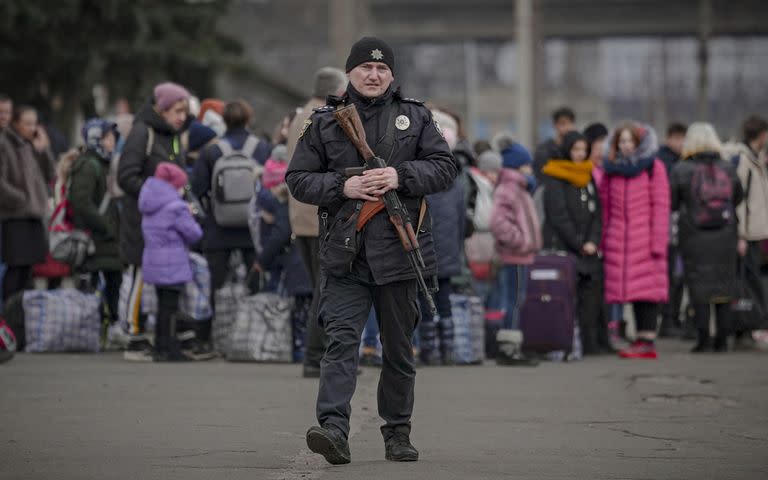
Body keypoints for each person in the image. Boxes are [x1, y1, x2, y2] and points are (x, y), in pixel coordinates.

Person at [286, 36, 457, 465]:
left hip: (401, 253)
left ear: (392, 75)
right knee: (340, 343)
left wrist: (399, 176)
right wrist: (341, 186)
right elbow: (298, 179)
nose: (374, 75)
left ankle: (398, 433)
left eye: (382, 69)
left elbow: (445, 169)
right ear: (350, 72)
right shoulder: (325, 122)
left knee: (398, 350)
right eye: (365, 68)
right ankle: (333, 429)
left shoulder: (416, 117)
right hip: (345, 252)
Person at [117, 81, 192, 361]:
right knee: (138, 275)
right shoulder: (142, 133)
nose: (182, 116)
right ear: (161, 110)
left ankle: (158, 336)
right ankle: (133, 337)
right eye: (176, 110)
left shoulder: (171, 135)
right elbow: (126, 176)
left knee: (159, 281)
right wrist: (159, 195)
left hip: (166, 222)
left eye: (184, 111)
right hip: (142, 219)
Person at [286, 66, 348, 378]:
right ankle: (315, 357)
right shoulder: (326, 116)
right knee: (325, 291)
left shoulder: (299, 114)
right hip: (320, 214)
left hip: (300, 216)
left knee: (318, 289)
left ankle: (320, 355)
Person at [191, 99, 269, 347]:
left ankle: (207, 339)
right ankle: (252, 337)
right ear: (249, 119)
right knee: (254, 282)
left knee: (214, 284)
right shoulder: (261, 148)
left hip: (219, 226)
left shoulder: (212, 151)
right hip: (252, 228)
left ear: (223, 120)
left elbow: (198, 188)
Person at [669, 123, 743, 352]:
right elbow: (738, 196)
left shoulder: (681, 168)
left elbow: (672, 201)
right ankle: (722, 338)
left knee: (698, 285)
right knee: (724, 284)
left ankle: (703, 340)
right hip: (726, 233)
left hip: (694, 234)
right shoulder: (728, 167)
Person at [600, 123, 670, 359]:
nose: (626, 146)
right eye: (622, 142)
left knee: (646, 292)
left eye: (630, 141)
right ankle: (637, 337)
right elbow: (605, 207)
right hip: (618, 238)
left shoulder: (653, 167)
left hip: (645, 239)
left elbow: (661, 206)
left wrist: (658, 242)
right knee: (627, 291)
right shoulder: (611, 171)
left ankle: (647, 340)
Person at [541, 131, 612, 355]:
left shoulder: (588, 175)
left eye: (583, 150)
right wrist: (579, 243)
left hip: (588, 249)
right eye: (576, 149)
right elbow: (558, 215)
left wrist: (593, 240)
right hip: (564, 248)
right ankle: (566, 341)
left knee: (593, 295)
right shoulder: (555, 175)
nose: (580, 155)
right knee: (567, 296)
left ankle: (593, 342)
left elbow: (597, 213)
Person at [416, 108, 466, 366]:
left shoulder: (422, 183)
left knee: (426, 303)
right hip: (449, 254)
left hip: (425, 253)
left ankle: (428, 350)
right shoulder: (457, 185)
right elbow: (461, 224)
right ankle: (449, 348)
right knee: (445, 302)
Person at [138, 163, 203, 361]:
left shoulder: (149, 205)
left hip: (153, 262)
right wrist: (190, 214)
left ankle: (160, 345)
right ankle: (171, 348)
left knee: (162, 307)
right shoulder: (176, 208)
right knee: (171, 308)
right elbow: (195, 234)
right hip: (172, 264)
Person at [68, 119, 124, 344]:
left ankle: (108, 328)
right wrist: (105, 224)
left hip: (106, 240)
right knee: (97, 285)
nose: (113, 142)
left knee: (114, 283)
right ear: (95, 138)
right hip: (96, 238)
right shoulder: (89, 165)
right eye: (108, 137)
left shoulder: (101, 163)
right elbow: (81, 201)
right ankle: (94, 329)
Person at [489, 143, 542, 366]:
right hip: (515, 255)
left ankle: (511, 345)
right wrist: (520, 241)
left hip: (520, 256)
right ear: (517, 166)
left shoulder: (518, 187)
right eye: (526, 165)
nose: (530, 169)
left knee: (515, 300)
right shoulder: (509, 188)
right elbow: (497, 221)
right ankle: (508, 347)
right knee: (512, 300)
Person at [0, 106, 55, 301]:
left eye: (35, 123)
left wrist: (43, 149)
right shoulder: (5, 143)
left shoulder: (30, 145)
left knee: (28, 271)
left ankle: (19, 317)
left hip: (33, 215)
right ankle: (7, 316)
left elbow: (50, 174)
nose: (32, 128)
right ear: (16, 124)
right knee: (16, 269)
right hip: (15, 216)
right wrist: (21, 198)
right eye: (27, 123)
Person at [732, 115, 768, 347]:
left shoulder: (759, 159)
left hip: (760, 231)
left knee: (757, 281)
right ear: (761, 135)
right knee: (748, 282)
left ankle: (754, 324)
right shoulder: (743, 161)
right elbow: (738, 200)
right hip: (749, 233)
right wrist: (741, 234)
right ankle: (746, 326)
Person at [657, 122, 689, 337]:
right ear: (669, 138)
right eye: (678, 139)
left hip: (679, 227)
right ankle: (668, 319)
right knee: (672, 275)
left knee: (678, 275)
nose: (681, 143)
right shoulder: (664, 162)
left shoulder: (682, 161)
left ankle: (674, 317)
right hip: (669, 228)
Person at [533, 107, 576, 182]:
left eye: (570, 123)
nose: (567, 127)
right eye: (563, 123)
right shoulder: (544, 149)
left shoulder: (577, 149)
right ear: (555, 125)